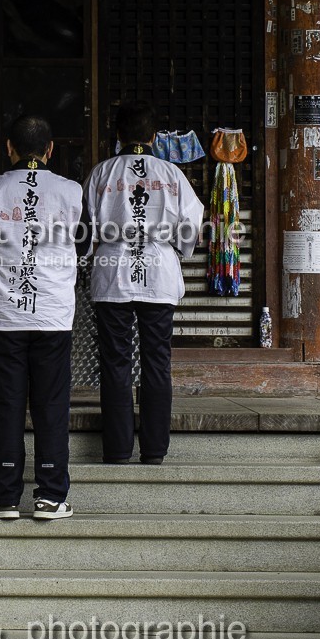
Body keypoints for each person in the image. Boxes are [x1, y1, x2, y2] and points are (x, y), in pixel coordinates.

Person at [0, 115, 84, 521]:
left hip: (3, 315)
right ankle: (51, 495)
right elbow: (84, 244)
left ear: (9, 148)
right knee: (51, 404)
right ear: (50, 150)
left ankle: (2, 497)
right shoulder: (72, 191)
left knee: (6, 404)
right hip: (52, 314)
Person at [83, 101, 204, 465]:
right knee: (157, 361)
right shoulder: (172, 174)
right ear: (153, 136)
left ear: (118, 135)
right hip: (159, 271)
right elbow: (190, 228)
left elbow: (83, 230)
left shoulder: (102, 173)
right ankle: (154, 451)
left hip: (112, 271)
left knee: (115, 362)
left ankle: (118, 451)